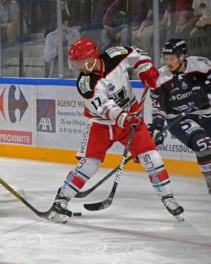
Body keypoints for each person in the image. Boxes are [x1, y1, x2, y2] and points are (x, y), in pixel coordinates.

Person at [47, 38, 184, 223]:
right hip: (101, 125)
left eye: (80, 62)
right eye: (75, 63)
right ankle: (61, 201)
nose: (78, 67)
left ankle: (168, 198)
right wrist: (124, 117)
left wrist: (146, 71)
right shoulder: (86, 84)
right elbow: (104, 108)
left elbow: (139, 54)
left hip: (132, 119)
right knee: (90, 164)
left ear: (92, 57)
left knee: (153, 158)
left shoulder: (116, 55)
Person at [149, 39, 211, 194]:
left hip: (205, 112)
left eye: (172, 58)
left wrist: (205, 91)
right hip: (179, 118)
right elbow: (159, 109)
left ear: (182, 56)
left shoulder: (201, 65)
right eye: (166, 58)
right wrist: (157, 127)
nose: (168, 62)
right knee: (202, 142)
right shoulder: (161, 79)